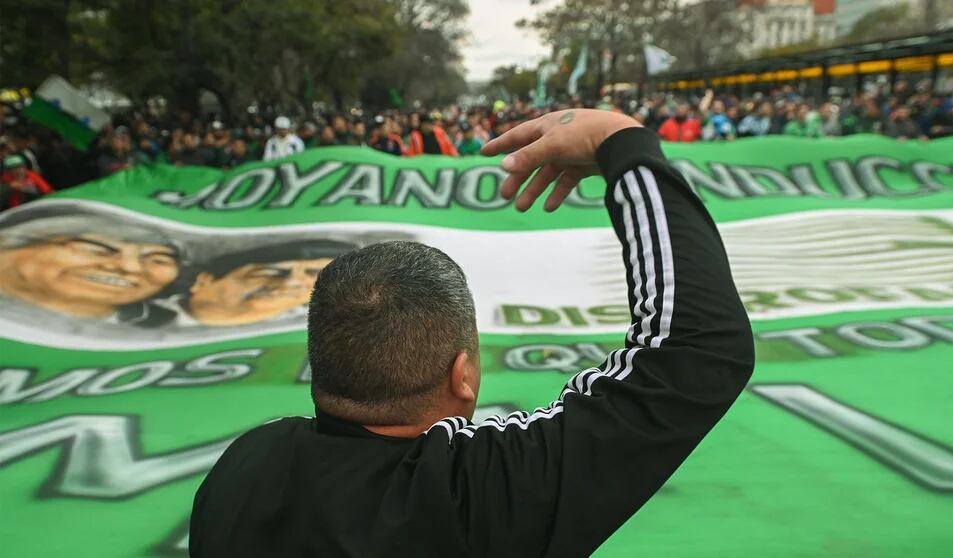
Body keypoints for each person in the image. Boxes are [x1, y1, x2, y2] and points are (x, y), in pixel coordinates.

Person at [190, 109, 754, 556]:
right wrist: (622, 139)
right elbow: (696, 347)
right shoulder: (480, 495)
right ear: (462, 376)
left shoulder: (245, 466)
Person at [0, 216, 181, 321]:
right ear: (6, 245)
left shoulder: (176, 324)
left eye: (158, 260)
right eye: (95, 249)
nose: (130, 267)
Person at [145, 240, 353, 327]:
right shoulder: (137, 316)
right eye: (269, 272)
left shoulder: (325, 326)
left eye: (312, 273)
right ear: (204, 281)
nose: (291, 282)